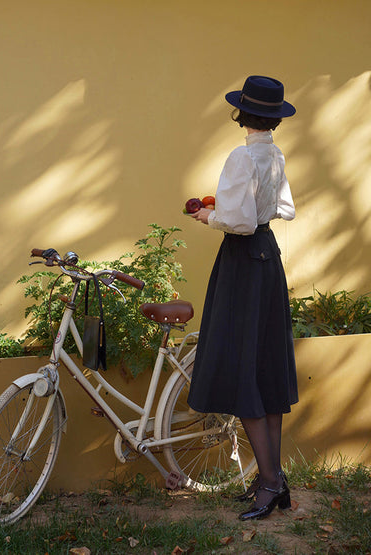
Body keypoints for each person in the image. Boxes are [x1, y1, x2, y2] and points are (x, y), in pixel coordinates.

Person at [187, 75, 298, 521]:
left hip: (242, 261)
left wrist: (207, 213)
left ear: (242, 115)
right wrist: (236, 211)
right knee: (265, 366)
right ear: (273, 118)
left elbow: (239, 221)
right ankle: (274, 479)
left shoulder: (241, 156)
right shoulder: (275, 155)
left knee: (245, 368)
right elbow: (283, 209)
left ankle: (270, 483)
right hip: (268, 259)